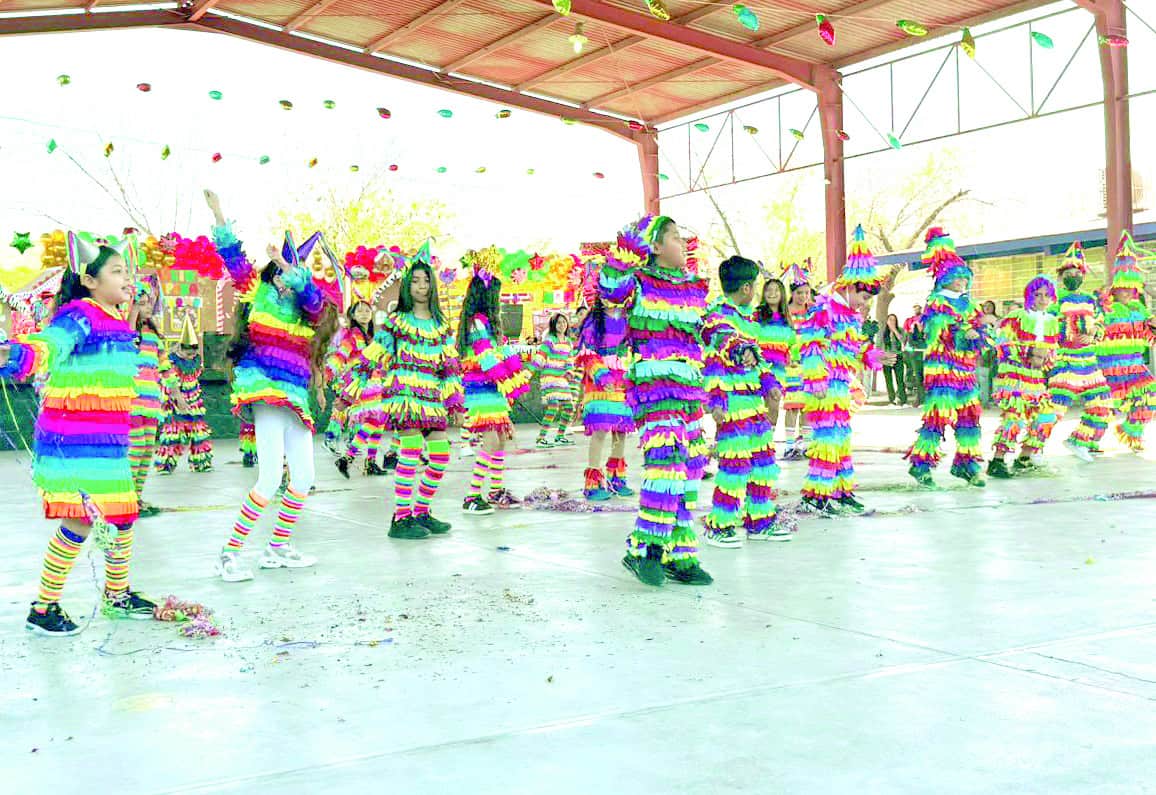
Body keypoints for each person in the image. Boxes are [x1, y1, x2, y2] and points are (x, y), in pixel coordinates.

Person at [0, 234, 155, 635]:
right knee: (81, 522)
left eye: (128, 271)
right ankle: (43, 607)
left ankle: (116, 596)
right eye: (117, 271)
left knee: (122, 515)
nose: (127, 277)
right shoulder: (80, 315)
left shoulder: (115, 318)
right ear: (90, 280)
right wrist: (17, 354)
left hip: (107, 442)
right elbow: (50, 344)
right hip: (73, 440)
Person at [205, 189, 339, 582]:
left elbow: (318, 301)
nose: (283, 279)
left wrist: (295, 273)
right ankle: (229, 553)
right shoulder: (256, 292)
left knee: (304, 479)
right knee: (268, 478)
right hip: (266, 392)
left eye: (290, 274)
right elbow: (232, 258)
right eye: (277, 271)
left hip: (295, 398)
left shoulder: (308, 310)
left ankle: (277, 547)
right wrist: (218, 211)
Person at [601, 215, 711, 587]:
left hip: (689, 391)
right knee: (666, 467)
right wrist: (623, 257)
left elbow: (707, 332)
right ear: (658, 247)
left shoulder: (695, 287)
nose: (684, 244)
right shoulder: (639, 282)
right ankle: (644, 550)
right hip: (653, 388)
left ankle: (680, 555)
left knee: (691, 469)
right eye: (676, 238)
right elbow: (610, 293)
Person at [348, 247, 464, 537]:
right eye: (415, 281)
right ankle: (400, 519)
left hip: (431, 397)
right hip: (404, 395)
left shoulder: (440, 324)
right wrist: (351, 389)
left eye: (426, 281)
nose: (421, 286)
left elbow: (448, 365)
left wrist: (454, 402)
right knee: (411, 451)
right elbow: (375, 352)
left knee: (440, 454)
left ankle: (422, 511)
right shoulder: (397, 320)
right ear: (407, 285)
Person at [797, 225, 894, 515]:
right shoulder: (823, 308)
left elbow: (854, 347)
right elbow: (809, 343)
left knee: (840, 438)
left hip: (839, 386)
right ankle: (817, 495)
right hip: (824, 385)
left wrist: (870, 354)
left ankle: (839, 491)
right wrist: (816, 377)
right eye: (864, 298)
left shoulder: (849, 316)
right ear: (850, 288)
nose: (865, 305)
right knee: (827, 440)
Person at [700, 256, 786, 547]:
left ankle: (760, 521)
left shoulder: (749, 320)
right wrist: (717, 401)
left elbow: (759, 360)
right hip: (733, 405)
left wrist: (770, 385)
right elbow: (721, 346)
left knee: (763, 463)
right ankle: (720, 525)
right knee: (735, 466)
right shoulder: (716, 316)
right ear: (748, 287)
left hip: (754, 406)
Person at [905, 228, 987, 488]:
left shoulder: (969, 304)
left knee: (969, 415)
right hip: (943, 368)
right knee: (939, 414)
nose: (962, 281)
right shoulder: (937, 302)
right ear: (944, 278)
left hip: (965, 369)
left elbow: (979, 330)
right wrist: (966, 333)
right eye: (956, 277)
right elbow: (940, 333)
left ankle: (965, 463)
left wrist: (981, 333)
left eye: (965, 277)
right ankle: (921, 465)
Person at [458, 247, 531, 514]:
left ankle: (495, 491)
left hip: (493, 388)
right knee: (491, 438)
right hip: (482, 388)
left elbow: (499, 351)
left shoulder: (488, 324)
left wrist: (514, 371)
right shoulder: (477, 323)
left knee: (499, 438)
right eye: (495, 295)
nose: (498, 300)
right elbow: (486, 357)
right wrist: (508, 379)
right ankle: (472, 495)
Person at [1031, 241, 1113, 462]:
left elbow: (1101, 323)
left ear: (1083, 275)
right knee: (1057, 404)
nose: (1073, 275)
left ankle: (1079, 441)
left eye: (1077, 272)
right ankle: (1034, 447)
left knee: (1102, 403)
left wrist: (1095, 330)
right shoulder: (1055, 300)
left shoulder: (1090, 299)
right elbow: (1048, 326)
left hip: (1089, 361)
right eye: (1069, 272)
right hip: (1066, 359)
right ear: (1062, 276)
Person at [987, 277, 1060, 478]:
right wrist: (1028, 353)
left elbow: (1052, 352)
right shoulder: (1017, 316)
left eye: (1046, 295)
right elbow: (1001, 344)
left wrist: (1045, 360)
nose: (1043, 299)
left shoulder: (1052, 321)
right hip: (1014, 376)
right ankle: (998, 461)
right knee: (1014, 418)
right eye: (1038, 295)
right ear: (1029, 296)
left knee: (1046, 417)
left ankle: (1024, 458)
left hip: (1036, 378)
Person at [575, 285, 636, 502]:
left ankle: (616, 478)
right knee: (600, 431)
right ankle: (592, 482)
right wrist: (602, 376)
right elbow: (586, 353)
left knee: (621, 430)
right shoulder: (593, 321)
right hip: (599, 381)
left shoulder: (629, 317)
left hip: (623, 379)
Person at [1098, 232, 1156, 452]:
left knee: (1149, 394)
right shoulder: (1107, 308)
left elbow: (1149, 335)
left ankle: (1132, 431)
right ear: (1115, 288)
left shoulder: (1139, 310)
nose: (1127, 292)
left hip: (1134, 364)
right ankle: (1087, 439)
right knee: (1104, 405)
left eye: (1131, 288)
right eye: (1123, 287)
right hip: (1110, 366)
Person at [333, 298, 388, 478]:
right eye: (360, 311)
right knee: (374, 421)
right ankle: (348, 458)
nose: (364, 313)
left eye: (367, 310)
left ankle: (370, 463)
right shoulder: (352, 335)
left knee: (378, 422)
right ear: (353, 315)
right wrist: (330, 371)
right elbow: (341, 355)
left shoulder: (371, 336)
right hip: (363, 384)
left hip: (376, 381)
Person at [154, 316, 213, 474]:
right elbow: (169, 381)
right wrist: (177, 399)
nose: (191, 357)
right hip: (176, 400)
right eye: (188, 354)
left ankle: (201, 462)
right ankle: (165, 464)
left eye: (193, 354)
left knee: (199, 431)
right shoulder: (171, 362)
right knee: (173, 432)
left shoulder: (196, 360)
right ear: (180, 348)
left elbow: (195, 377)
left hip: (194, 400)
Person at [127, 277, 164, 516]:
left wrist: (176, 393)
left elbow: (164, 364)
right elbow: (125, 341)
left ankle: (137, 498)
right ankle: (127, 500)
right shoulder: (129, 331)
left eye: (150, 301)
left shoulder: (154, 333)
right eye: (143, 301)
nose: (149, 305)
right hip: (131, 402)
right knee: (135, 450)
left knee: (147, 450)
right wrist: (133, 313)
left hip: (151, 403)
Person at [780, 262, 814, 459]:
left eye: (807, 293)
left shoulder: (812, 313)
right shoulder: (785, 314)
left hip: (809, 365)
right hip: (790, 366)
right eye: (800, 292)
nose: (803, 297)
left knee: (808, 406)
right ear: (792, 293)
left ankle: (806, 445)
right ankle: (789, 445)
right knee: (792, 406)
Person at [530, 313, 578, 449]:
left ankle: (560, 436)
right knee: (553, 406)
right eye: (558, 323)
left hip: (561, 379)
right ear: (553, 325)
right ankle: (541, 438)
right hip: (549, 378)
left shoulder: (568, 342)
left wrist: (570, 372)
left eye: (564, 322)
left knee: (569, 407)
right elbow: (540, 357)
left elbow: (570, 361)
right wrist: (529, 371)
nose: (562, 325)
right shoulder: (549, 340)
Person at [754, 276, 793, 433]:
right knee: (756, 409)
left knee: (773, 407)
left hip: (778, 370)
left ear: (782, 294)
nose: (772, 293)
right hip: (758, 367)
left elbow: (791, 343)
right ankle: (756, 444)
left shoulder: (786, 319)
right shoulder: (756, 315)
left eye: (776, 290)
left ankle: (767, 443)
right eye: (769, 290)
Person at [903, 305, 927, 406]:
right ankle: (920, 398)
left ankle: (925, 398)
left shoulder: (927, 323)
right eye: (915, 308)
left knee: (927, 376)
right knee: (918, 376)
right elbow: (909, 339)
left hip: (926, 353)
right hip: (916, 353)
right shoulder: (911, 325)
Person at [881, 313, 907, 405]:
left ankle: (903, 400)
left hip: (898, 357)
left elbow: (903, 341)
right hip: (886, 358)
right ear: (887, 321)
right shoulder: (883, 332)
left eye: (894, 320)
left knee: (900, 380)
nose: (892, 321)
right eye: (890, 320)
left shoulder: (900, 330)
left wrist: (895, 331)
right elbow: (879, 346)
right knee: (889, 380)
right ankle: (892, 400)